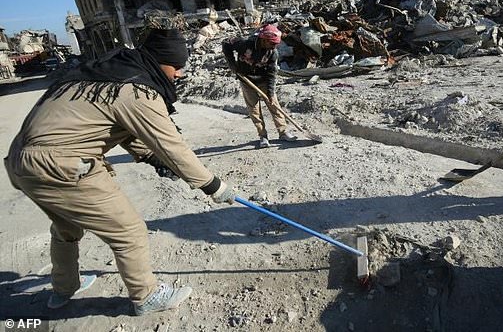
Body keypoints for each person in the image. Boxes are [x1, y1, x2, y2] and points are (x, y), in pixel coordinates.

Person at [4, 28, 236, 315]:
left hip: (20, 163)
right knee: (129, 231)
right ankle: (146, 296)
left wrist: (152, 158)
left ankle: (63, 289)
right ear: (160, 61)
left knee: (67, 228)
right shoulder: (137, 90)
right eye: (176, 67)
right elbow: (172, 146)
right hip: (61, 165)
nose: (179, 74)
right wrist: (213, 185)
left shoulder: (107, 74)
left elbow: (121, 128)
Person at [223, 24, 297, 148]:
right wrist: (232, 64)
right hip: (247, 80)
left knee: (274, 106)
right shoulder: (245, 44)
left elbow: (272, 74)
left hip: (263, 80)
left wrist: (270, 93)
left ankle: (283, 132)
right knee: (254, 109)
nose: (274, 46)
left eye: (276, 44)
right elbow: (226, 43)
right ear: (263, 40)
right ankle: (262, 136)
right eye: (272, 43)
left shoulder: (272, 53)